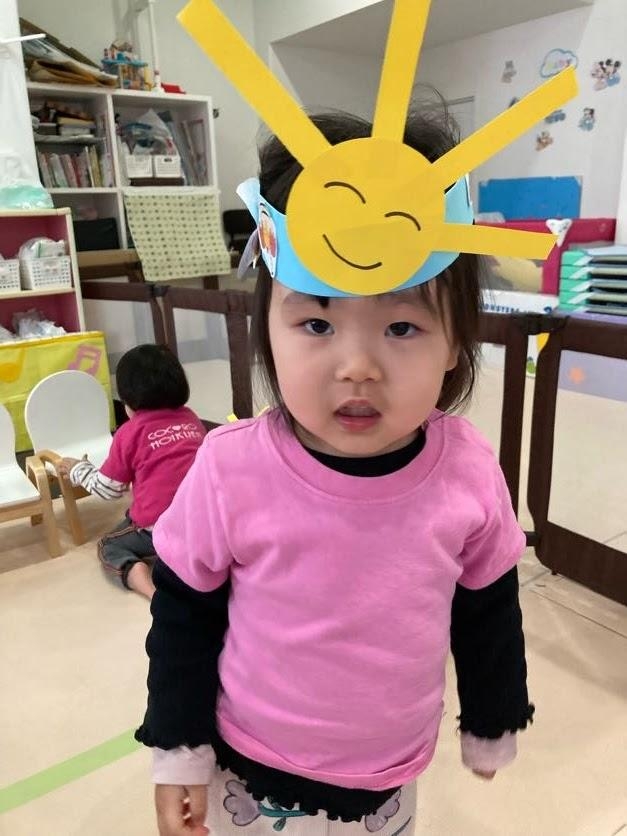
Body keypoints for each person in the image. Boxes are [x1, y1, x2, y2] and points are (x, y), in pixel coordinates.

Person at [136, 110, 534, 836]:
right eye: (316, 324)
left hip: (390, 774)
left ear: (455, 343)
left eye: (402, 327)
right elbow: (184, 614)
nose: (358, 367)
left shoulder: (469, 470)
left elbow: (488, 610)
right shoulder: (229, 467)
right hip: (249, 765)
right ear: (267, 330)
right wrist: (177, 751)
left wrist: (492, 718)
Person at [58, 344, 206, 600]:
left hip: (160, 528)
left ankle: (151, 591)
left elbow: (107, 490)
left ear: (128, 400)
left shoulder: (130, 432)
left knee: (109, 545)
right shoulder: (191, 420)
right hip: (204, 523)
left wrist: (78, 469)